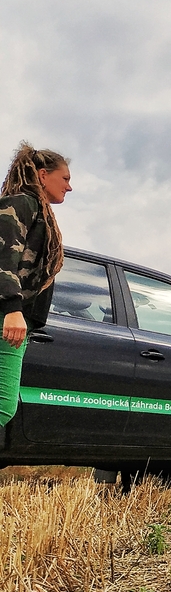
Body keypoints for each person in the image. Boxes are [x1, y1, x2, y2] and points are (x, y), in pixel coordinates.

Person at [0, 143, 72, 427]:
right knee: (3, 407)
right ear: (43, 175)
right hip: (7, 319)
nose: (69, 187)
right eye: (65, 178)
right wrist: (12, 309)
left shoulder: (38, 212)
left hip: (16, 322)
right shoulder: (19, 204)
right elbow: (4, 259)